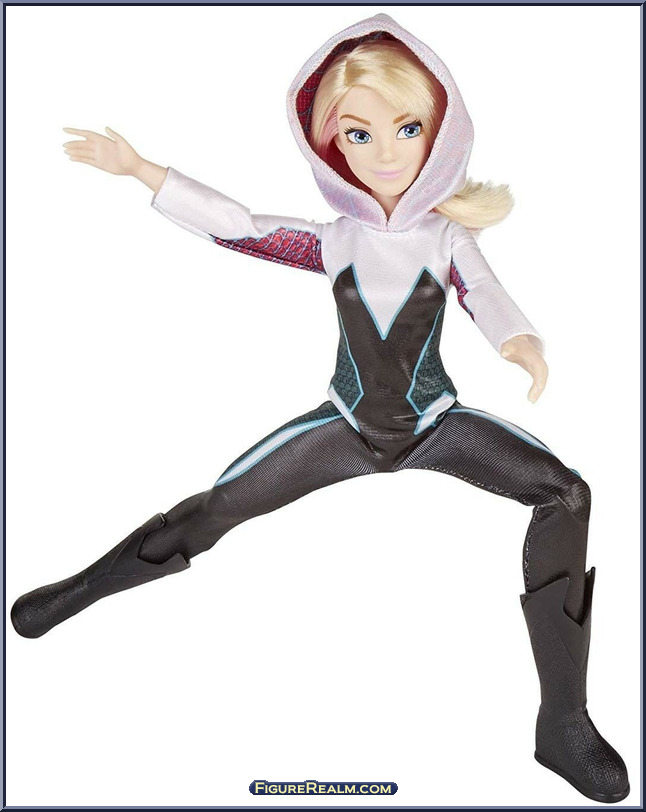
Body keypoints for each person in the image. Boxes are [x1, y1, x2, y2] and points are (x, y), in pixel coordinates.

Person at [11, 13, 629, 804]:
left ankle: (563, 722)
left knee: (565, 493)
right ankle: (77, 592)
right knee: (216, 508)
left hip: (438, 426)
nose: (387, 152)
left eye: (408, 128)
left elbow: (486, 293)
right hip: (343, 429)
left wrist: (522, 342)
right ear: (332, 145)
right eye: (360, 134)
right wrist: (143, 171)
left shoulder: (446, 238)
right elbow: (239, 227)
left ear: (440, 134)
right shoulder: (335, 239)